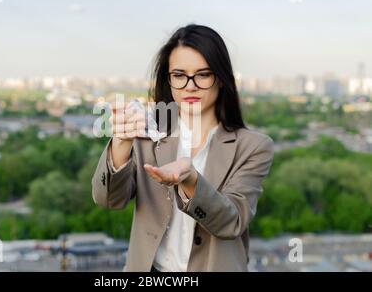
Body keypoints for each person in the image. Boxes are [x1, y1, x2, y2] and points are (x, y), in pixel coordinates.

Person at [92, 24, 274, 272]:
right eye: (179, 75)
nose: (190, 86)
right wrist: (121, 142)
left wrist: (190, 181)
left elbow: (232, 223)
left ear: (220, 78)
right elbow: (109, 200)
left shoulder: (253, 147)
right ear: (168, 79)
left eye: (203, 74)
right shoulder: (149, 132)